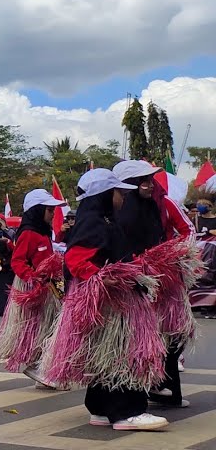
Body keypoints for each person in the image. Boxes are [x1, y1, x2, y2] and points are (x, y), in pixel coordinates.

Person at [41, 169, 169, 432]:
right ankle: (127, 412)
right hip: (114, 304)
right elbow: (76, 259)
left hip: (110, 302)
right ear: (104, 195)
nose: (122, 198)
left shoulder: (99, 221)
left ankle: (100, 408)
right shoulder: (95, 223)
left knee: (105, 356)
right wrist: (103, 278)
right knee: (124, 354)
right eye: (119, 193)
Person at [112, 160, 194, 411]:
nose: (150, 184)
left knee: (171, 335)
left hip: (166, 281)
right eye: (143, 180)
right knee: (136, 339)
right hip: (132, 282)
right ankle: (127, 398)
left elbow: (188, 230)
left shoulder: (164, 202)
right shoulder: (116, 207)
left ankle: (166, 391)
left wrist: (171, 255)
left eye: (151, 179)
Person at [0, 190, 66, 388]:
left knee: (49, 327)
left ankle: (42, 369)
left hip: (48, 285)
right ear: (37, 210)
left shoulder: (44, 232)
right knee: (38, 328)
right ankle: (37, 366)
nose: (52, 213)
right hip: (32, 287)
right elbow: (18, 261)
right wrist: (33, 279)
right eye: (49, 210)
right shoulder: (29, 233)